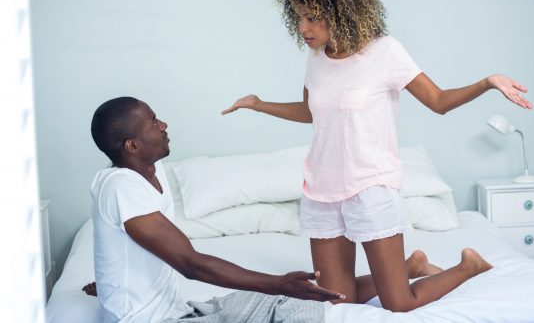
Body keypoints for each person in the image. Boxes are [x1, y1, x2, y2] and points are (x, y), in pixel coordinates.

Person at [221, 0, 525, 312]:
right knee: (335, 301)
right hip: (321, 190)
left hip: (371, 188)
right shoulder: (316, 58)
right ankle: (410, 267)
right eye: (298, 17)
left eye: (313, 17)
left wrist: (487, 82)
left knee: (399, 303)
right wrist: (258, 103)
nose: (304, 28)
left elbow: (438, 100)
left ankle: (468, 266)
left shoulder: (385, 53)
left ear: (340, 11)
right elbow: (310, 112)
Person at [88, 96, 442, 322]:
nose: (163, 125)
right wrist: (278, 284)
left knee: (310, 306)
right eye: (153, 123)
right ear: (132, 144)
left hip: (180, 311)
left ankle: (408, 268)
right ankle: (415, 270)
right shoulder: (121, 187)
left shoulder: (152, 170)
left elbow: (129, 249)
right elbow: (190, 264)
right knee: (300, 311)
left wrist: (109, 284)